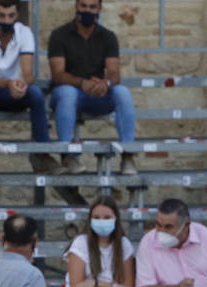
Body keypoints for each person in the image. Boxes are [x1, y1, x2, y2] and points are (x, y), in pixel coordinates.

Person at [47, 0, 137, 175]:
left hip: (97, 92)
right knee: (67, 93)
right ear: (76, 6)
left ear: (99, 9)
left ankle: (128, 155)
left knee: (122, 92)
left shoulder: (108, 36)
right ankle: (68, 156)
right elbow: (58, 75)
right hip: (70, 92)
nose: (87, 10)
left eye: (92, 7)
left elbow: (114, 73)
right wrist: (82, 83)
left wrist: (106, 83)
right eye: (83, 6)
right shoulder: (59, 35)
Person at [0, 0, 55, 176]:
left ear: (17, 15)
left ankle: (43, 153)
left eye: (11, 16)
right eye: (2, 15)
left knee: (36, 93)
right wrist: (9, 83)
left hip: (10, 91)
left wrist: (21, 84)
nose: (7, 20)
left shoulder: (24, 32)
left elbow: (29, 74)